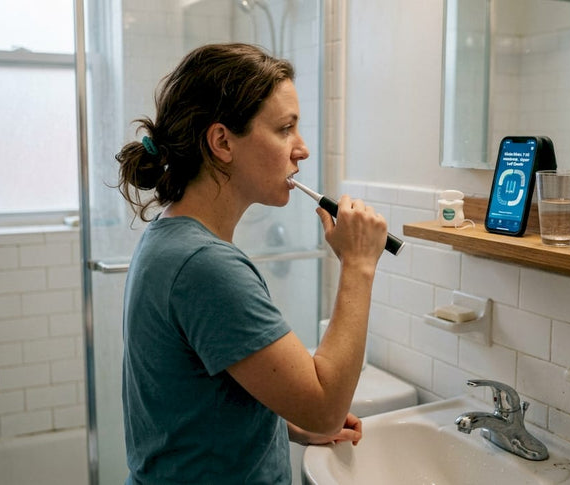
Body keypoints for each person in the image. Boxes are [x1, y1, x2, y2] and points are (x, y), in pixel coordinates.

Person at [115, 43, 388, 484]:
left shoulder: (170, 239)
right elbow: (324, 406)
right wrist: (358, 265)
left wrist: (286, 426)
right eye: (285, 129)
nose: (302, 150)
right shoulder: (204, 265)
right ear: (222, 141)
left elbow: (196, 404)